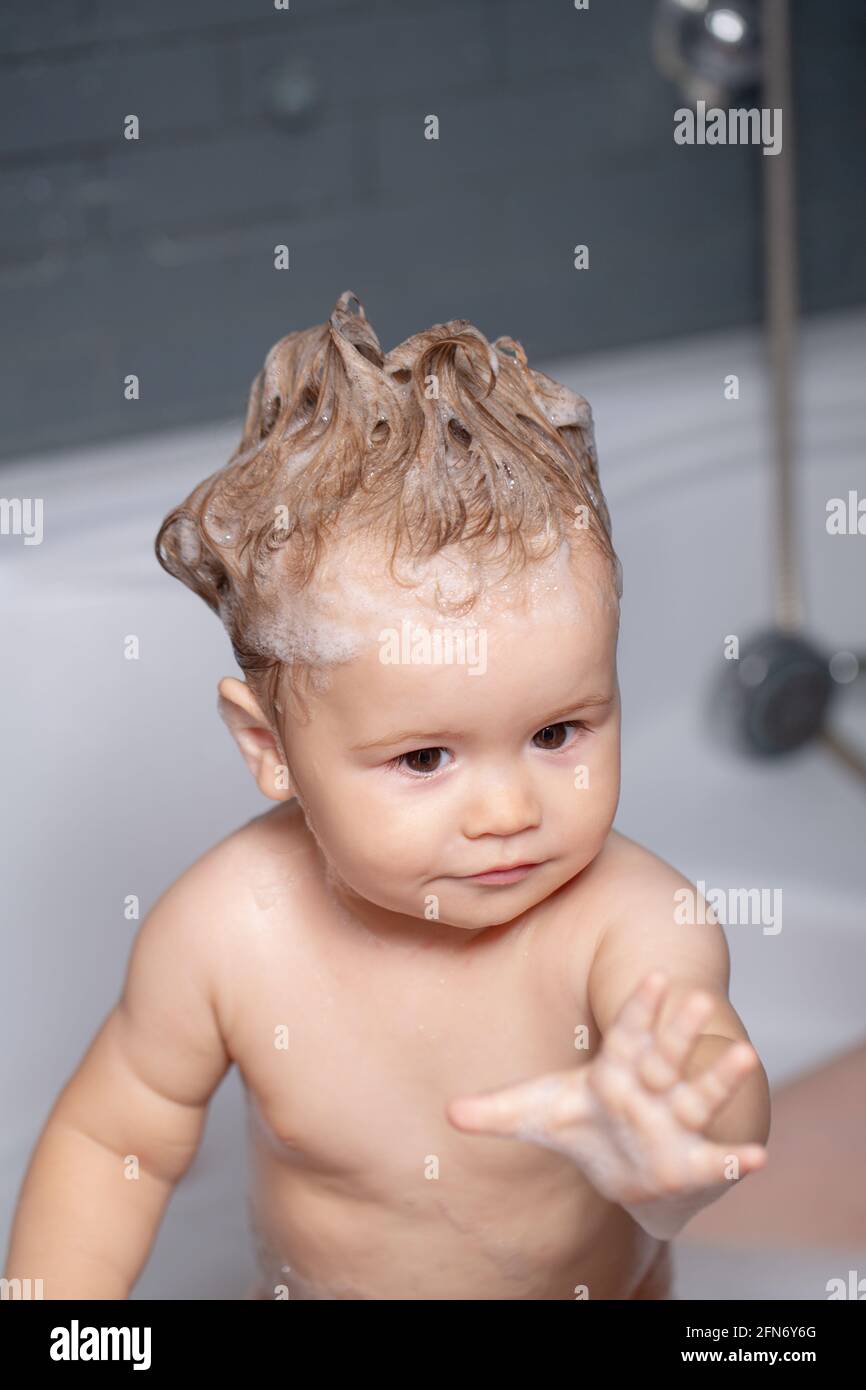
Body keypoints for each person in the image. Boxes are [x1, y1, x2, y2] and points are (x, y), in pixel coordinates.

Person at [3, 291, 769, 1300]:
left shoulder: (625, 922)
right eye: (423, 760)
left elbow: (711, 1074)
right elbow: (114, 1142)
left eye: (554, 733)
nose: (505, 811)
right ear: (268, 747)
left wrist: (676, 1137)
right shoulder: (228, 932)